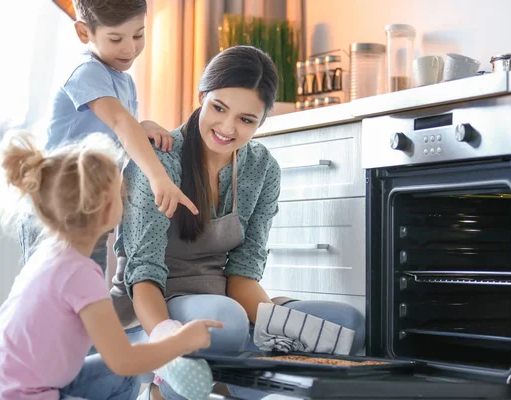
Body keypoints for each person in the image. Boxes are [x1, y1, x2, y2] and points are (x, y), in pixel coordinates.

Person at [111, 45, 366, 400]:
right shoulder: (159, 161)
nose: (227, 128)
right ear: (201, 96)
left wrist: (279, 327)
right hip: (153, 313)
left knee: (348, 326)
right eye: (218, 108)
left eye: (247, 119)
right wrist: (164, 341)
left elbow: (243, 277)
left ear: (261, 122)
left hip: (226, 304)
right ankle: (166, 386)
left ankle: (244, 380)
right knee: (227, 322)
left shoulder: (262, 168)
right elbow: (143, 279)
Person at [0, 131, 222, 400]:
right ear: (102, 208)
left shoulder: (51, 256)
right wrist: (182, 341)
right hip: (22, 396)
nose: (125, 198)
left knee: (123, 378)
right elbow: (123, 360)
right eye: (120, 192)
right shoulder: (79, 274)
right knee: (126, 369)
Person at [18, 0, 198, 273]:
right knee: (51, 294)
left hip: (93, 207)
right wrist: (159, 178)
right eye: (116, 39)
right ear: (83, 33)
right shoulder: (85, 70)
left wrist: (141, 125)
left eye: (138, 34)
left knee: (87, 293)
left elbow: (116, 129)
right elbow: (118, 122)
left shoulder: (123, 80)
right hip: (57, 206)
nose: (129, 48)